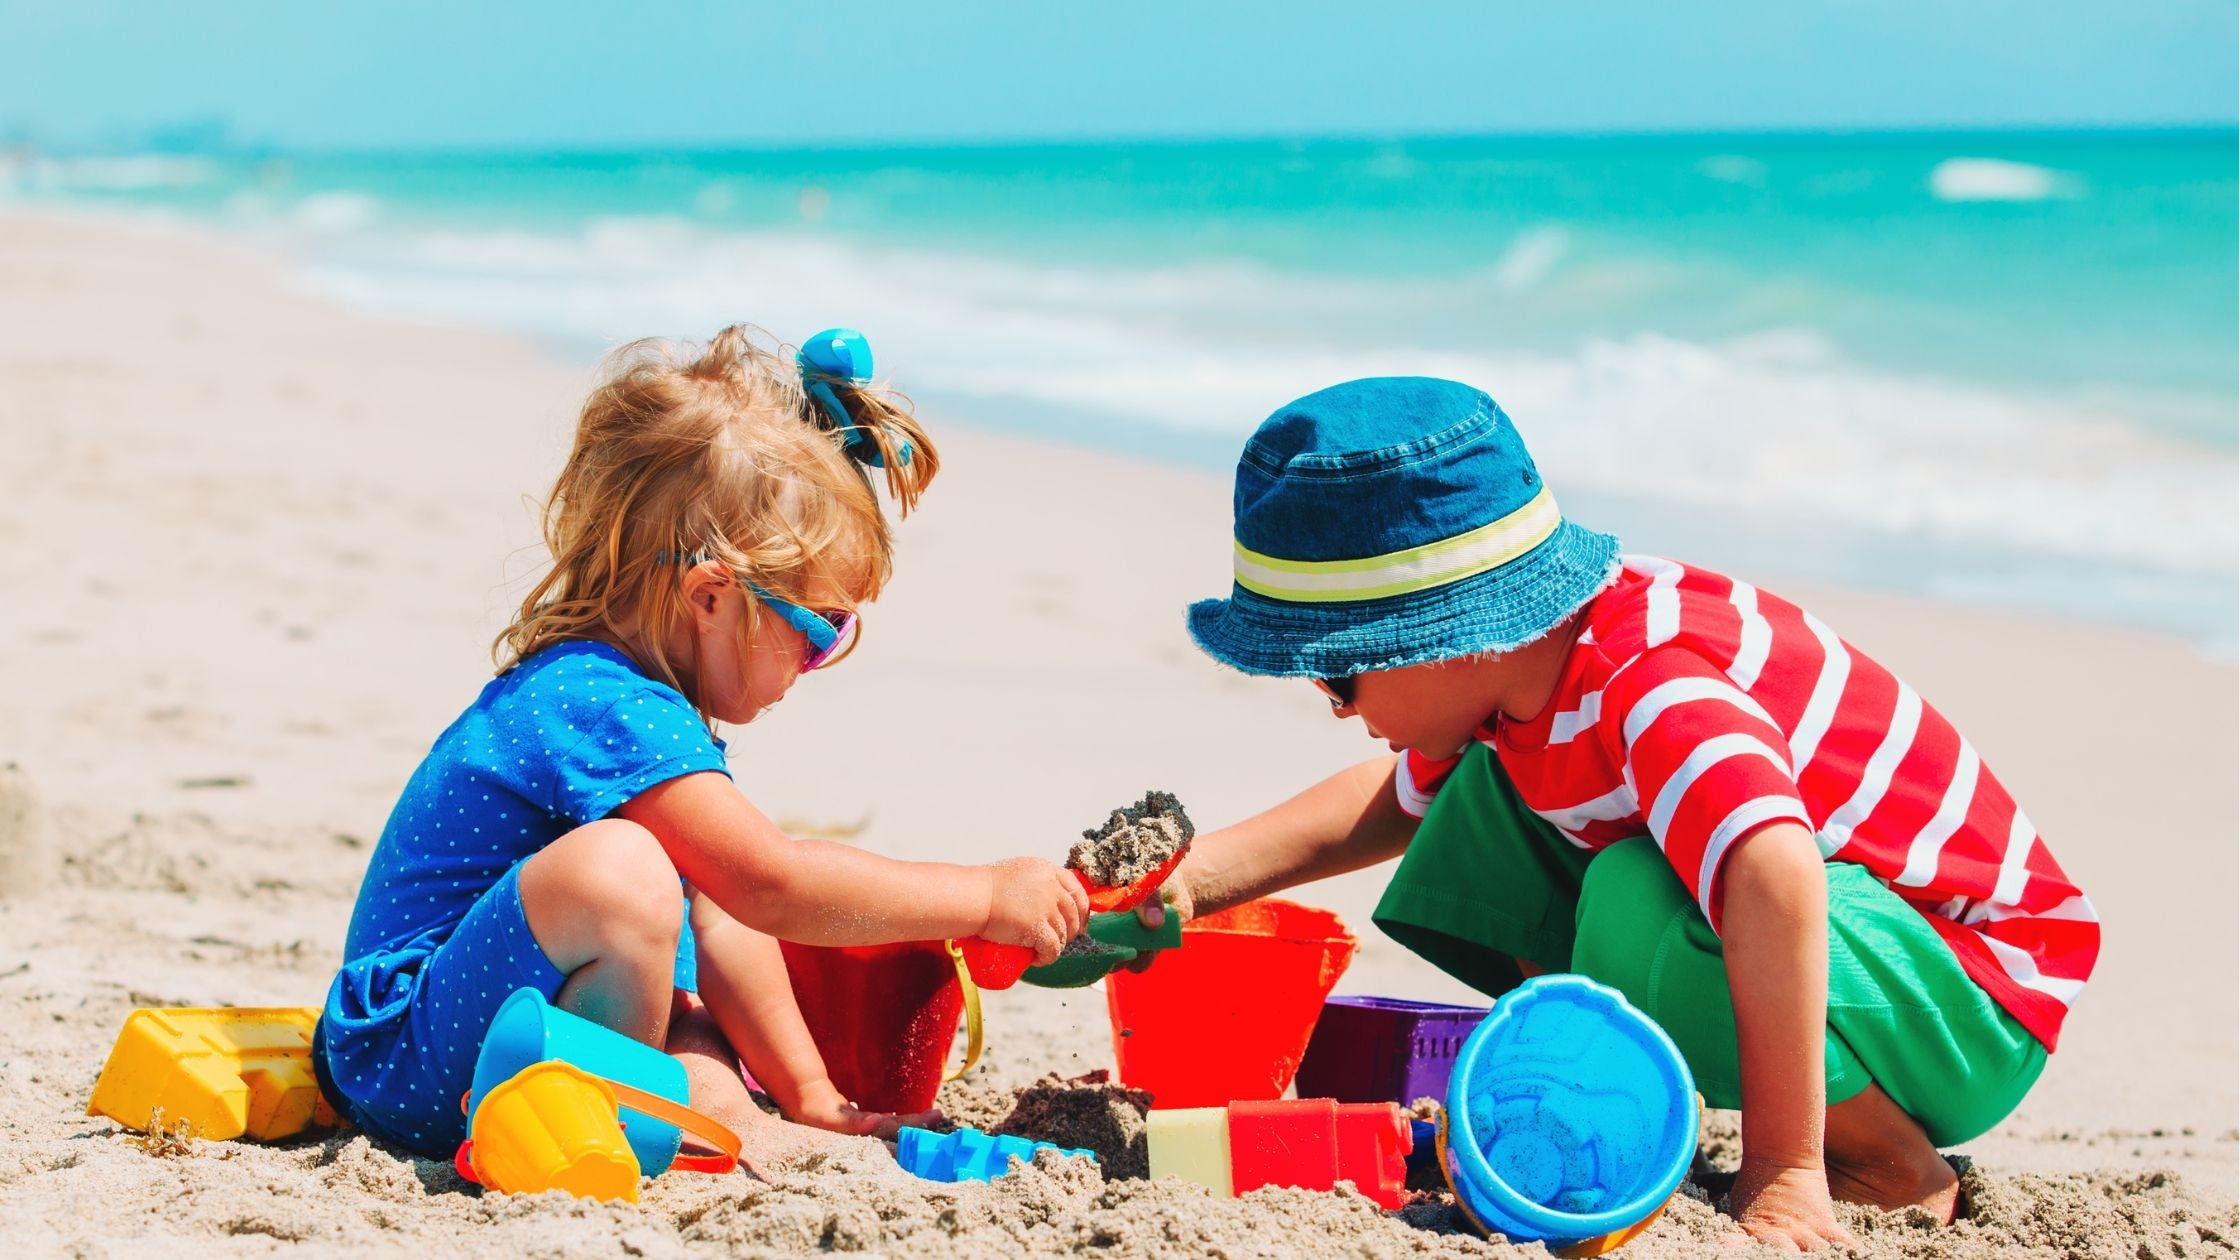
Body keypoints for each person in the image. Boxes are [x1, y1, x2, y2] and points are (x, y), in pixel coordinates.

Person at [1152, 376, 2098, 1250]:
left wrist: (1781, 1170)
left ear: (1441, 638)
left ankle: (1880, 1164)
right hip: (1852, 971)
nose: (1338, 706)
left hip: (1971, 996)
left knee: (1636, 892)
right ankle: (1590, 1078)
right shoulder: (1521, 686)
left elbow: (1775, 873)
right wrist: (1183, 884)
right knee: (1482, 809)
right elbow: (1386, 808)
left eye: (1338, 673)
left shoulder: (1650, 684)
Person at [314, 326, 1089, 1166]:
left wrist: (812, 1097)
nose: (819, 661)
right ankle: (594, 1121)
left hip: (517, 1014)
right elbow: (771, 883)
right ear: (712, 598)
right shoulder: (596, 701)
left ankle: (752, 1130)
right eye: (817, 631)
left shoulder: (656, 708)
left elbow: (725, 917)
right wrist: (983, 896)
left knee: (709, 1057)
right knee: (626, 873)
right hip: (408, 1062)